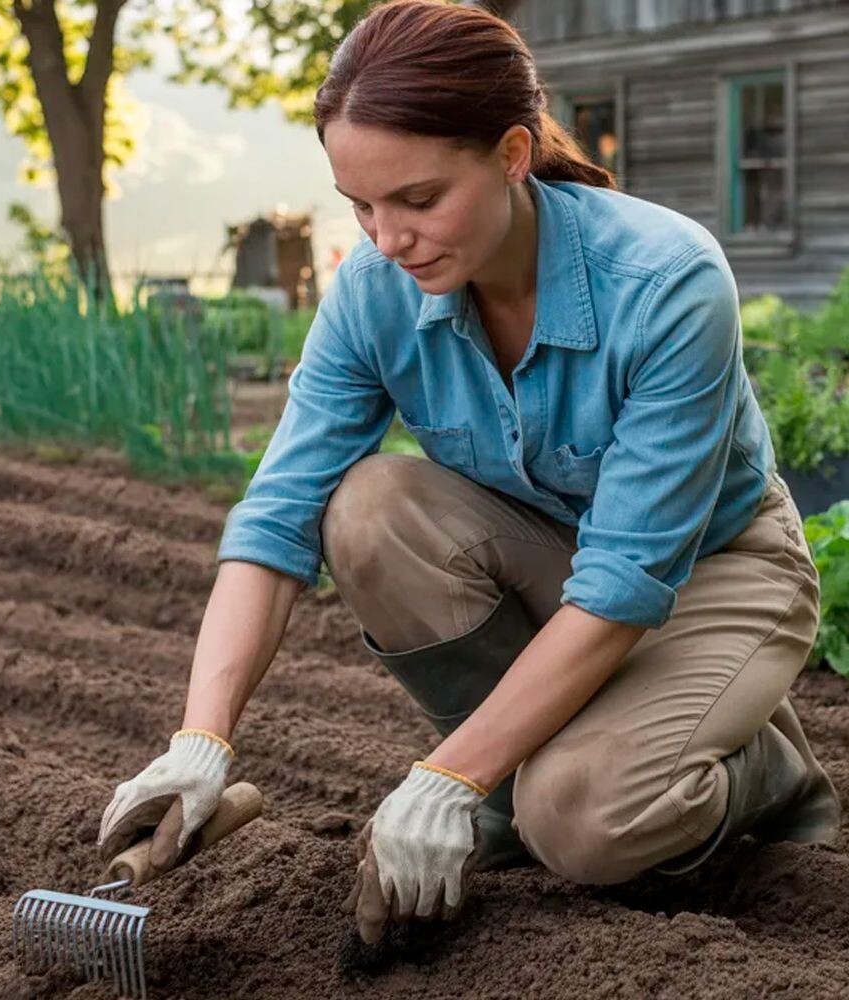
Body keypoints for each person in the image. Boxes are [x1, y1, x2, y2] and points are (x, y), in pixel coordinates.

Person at [97, 0, 840, 946]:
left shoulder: (666, 282)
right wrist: (200, 741)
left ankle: (765, 773)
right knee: (366, 507)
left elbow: (620, 584)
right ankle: (499, 792)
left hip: (712, 568)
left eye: (417, 199)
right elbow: (277, 517)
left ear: (512, 156)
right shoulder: (375, 289)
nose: (385, 239)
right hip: (552, 556)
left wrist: (441, 773)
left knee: (582, 822)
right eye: (359, 205)